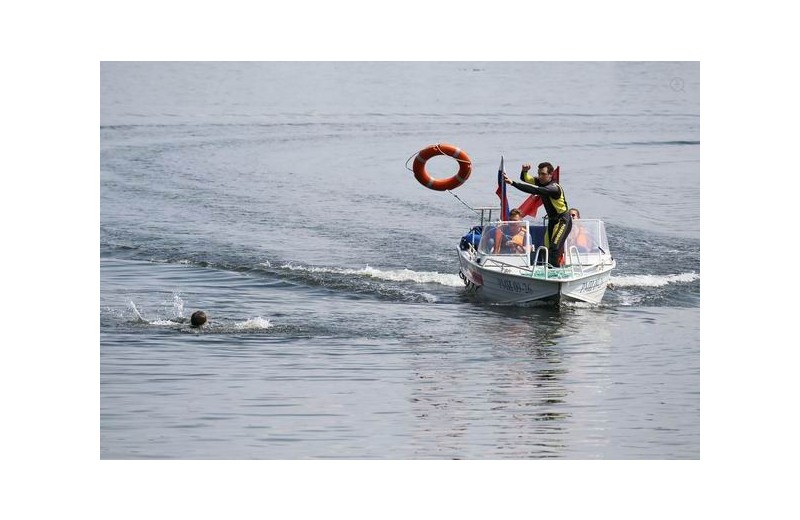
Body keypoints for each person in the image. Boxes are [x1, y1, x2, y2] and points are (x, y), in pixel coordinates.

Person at [503, 162, 571, 266]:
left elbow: (533, 189)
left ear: (550, 174)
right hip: (552, 221)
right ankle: (547, 269)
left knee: (554, 248)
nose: (540, 176)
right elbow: (525, 179)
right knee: (545, 248)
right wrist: (524, 171)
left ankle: (555, 273)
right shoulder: (541, 182)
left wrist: (513, 183)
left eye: (543, 174)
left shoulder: (553, 188)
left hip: (563, 221)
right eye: (538, 173)